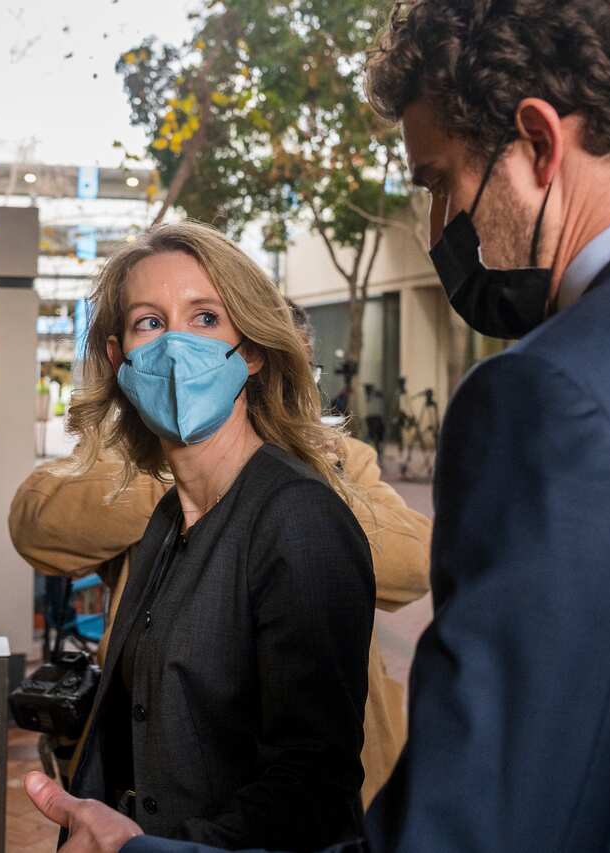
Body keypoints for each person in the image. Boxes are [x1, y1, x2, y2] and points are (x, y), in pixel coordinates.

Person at [22, 1, 610, 851]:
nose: (437, 227)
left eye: (439, 181)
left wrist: (136, 850)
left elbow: (469, 830)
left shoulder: (548, 397)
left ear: (536, 143)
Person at [32, 221, 377, 851]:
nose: (175, 346)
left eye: (206, 317)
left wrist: (143, 849)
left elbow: (313, 790)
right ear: (120, 359)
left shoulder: (297, 519)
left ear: (250, 351)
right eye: (150, 323)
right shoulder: (167, 518)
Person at [10, 300, 432, 806]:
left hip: (319, 791)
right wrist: (191, 471)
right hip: (162, 781)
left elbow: (413, 563)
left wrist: (274, 476)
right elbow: (36, 522)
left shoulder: (341, 461)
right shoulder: (140, 459)